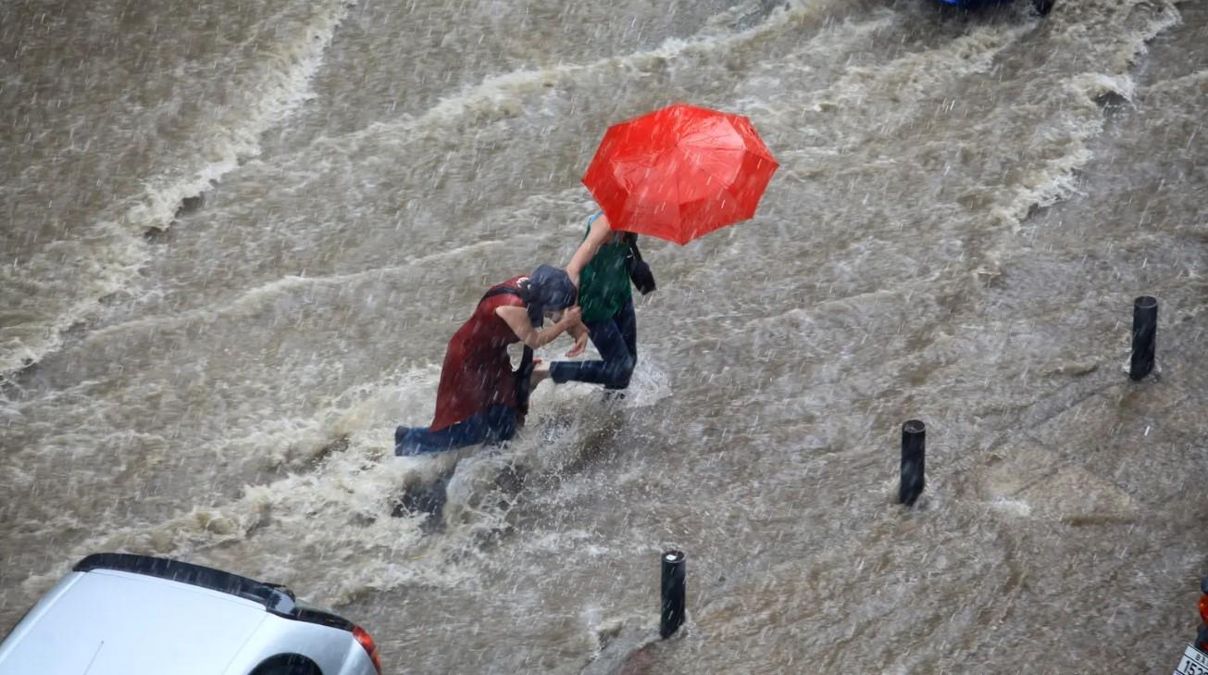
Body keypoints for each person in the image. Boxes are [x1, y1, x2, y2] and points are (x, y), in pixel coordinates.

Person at [395, 265, 581, 456]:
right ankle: (410, 440)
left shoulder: (535, 285)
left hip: (491, 355)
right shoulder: (512, 306)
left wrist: (578, 329)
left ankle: (493, 459)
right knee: (479, 425)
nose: (556, 314)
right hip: (468, 361)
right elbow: (535, 340)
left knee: (506, 415)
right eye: (555, 309)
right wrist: (566, 323)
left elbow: (561, 306)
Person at [534, 211, 653, 392]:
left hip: (620, 294)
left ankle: (610, 408)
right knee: (621, 369)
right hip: (593, 304)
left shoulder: (632, 218)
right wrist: (575, 322)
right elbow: (572, 270)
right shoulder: (604, 225)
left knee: (628, 363)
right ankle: (545, 370)